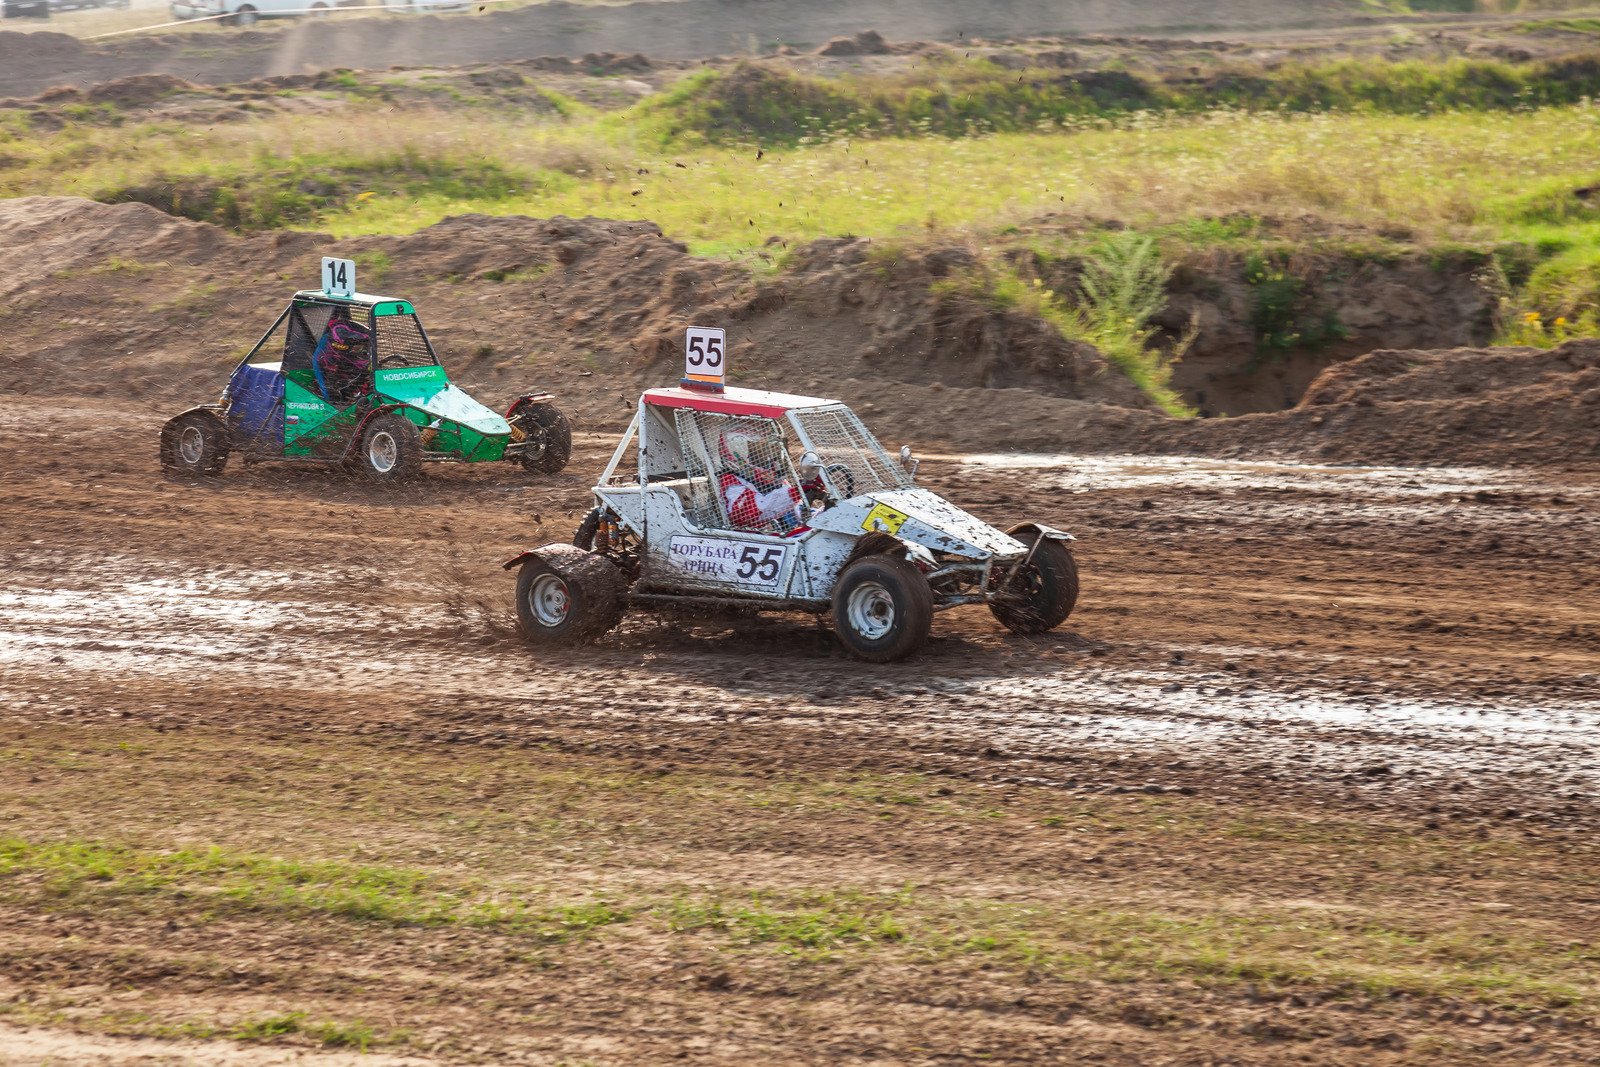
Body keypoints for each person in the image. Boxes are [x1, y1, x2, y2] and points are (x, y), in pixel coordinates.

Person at [717, 427, 805, 533]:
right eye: (757, 452)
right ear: (740, 456)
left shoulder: (774, 482)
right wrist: (797, 492)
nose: (767, 458)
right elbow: (752, 512)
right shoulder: (731, 483)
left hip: (783, 535)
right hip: (750, 539)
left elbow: (797, 515)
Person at [311, 317, 372, 405]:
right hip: (328, 362)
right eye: (358, 348)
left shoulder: (349, 334)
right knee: (327, 384)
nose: (361, 350)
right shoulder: (337, 333)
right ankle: (330, 402)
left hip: (341, 363)